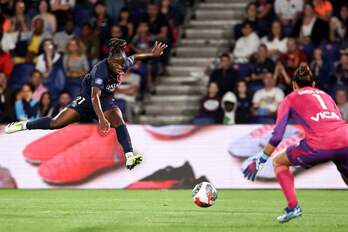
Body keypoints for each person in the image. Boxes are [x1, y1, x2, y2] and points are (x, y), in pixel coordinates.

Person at [5, 38, 168, 170]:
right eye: (117, 64)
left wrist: (151, 54)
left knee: (119, 120)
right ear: (110, 60)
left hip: (106, 101)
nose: (121, 67)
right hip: (87, 100)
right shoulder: (100, 71)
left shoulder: (123, 62)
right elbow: (94, 97)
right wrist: (102, 119)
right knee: (56, 123)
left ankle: (129, 156)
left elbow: (135, 57)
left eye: (122, 63)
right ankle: (23, 125)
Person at [243, 64, 348, 223]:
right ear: (313, 84)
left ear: (293, 85)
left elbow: (277, 136)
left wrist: (262, 159)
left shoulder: (290, 98)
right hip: (345, 137)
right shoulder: (326, 95)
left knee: (278, 162)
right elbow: (337, 120)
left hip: (320, 145)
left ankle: (293, 207)